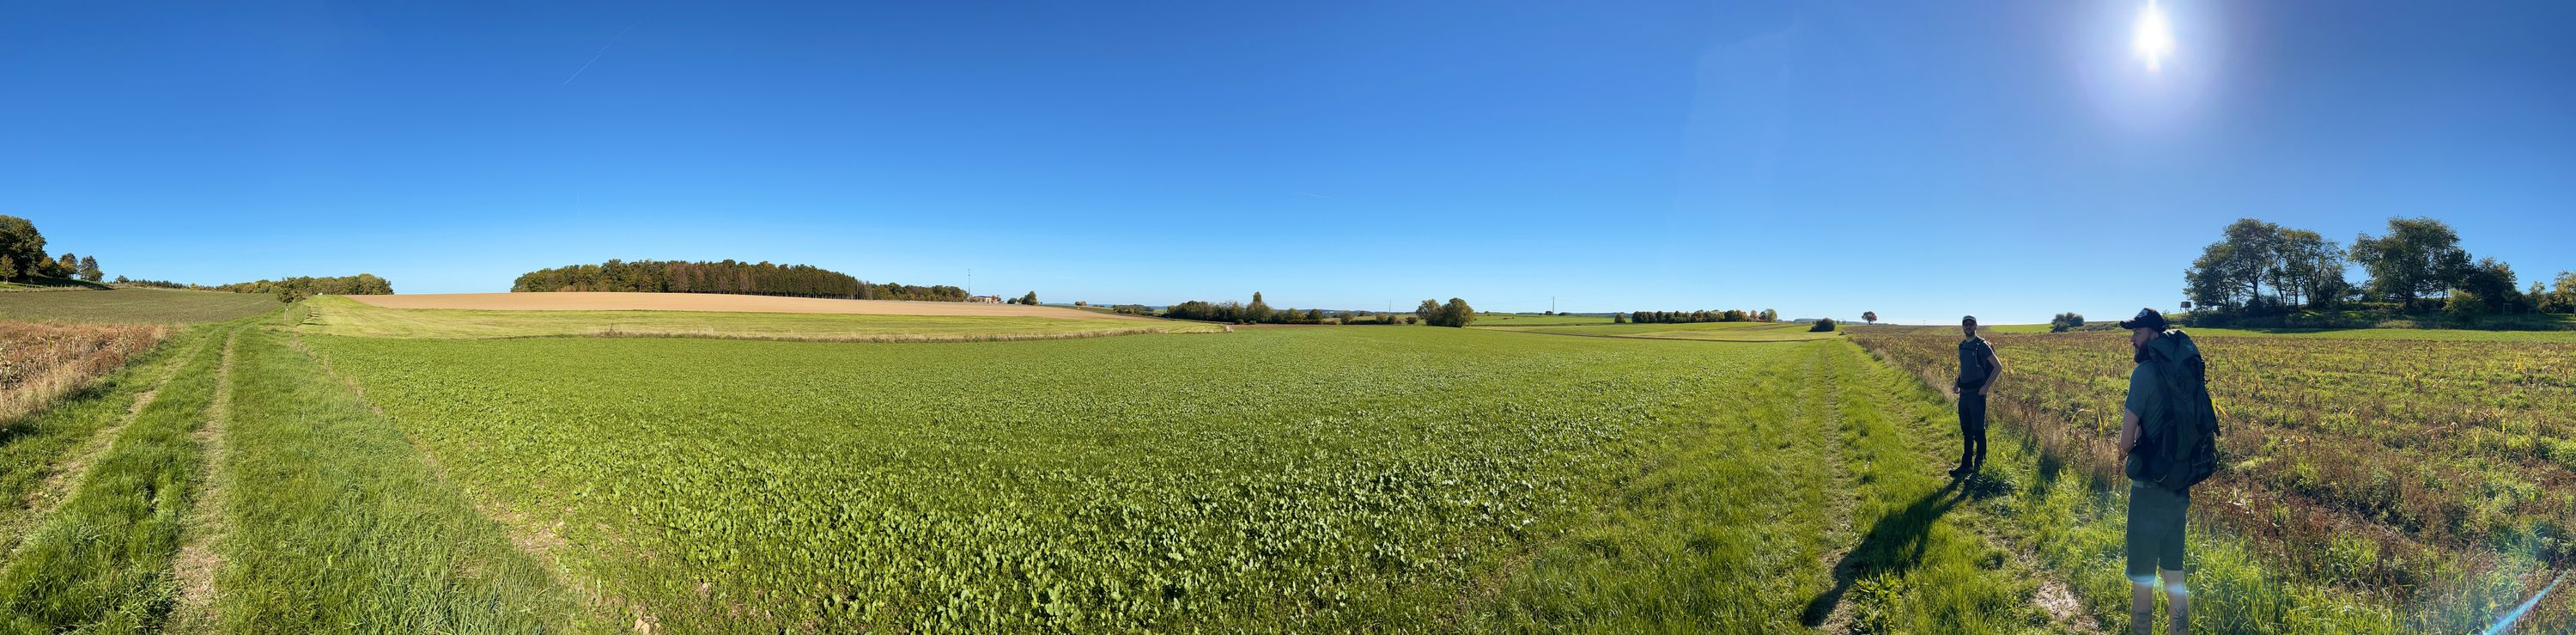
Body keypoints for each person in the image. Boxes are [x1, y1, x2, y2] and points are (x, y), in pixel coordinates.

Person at [2118, 308, 2190, 635]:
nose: (2132, 339)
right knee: (2175, 576)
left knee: (2143, 581)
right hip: (2179, 488)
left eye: (2138, 332)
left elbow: (2123, 442)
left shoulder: (2143, 374)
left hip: (2149, 493)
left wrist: (2136, 448)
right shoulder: (2183, 370)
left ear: (2154, 336)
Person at [1951, 315, 2001, 476]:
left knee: (1978, 431)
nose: (1968, 327)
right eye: (1965, 324)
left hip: (1977, 395)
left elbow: (1998, 367)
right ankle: (1966, 465)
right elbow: (1963, 368)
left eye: (1971, 324)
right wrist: (1956, 383)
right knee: (1966, 430)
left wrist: (1986, 387)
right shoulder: (1962, 345)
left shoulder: (1982, 346)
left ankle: (1979, 468)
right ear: (1962, 327)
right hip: (1964, 395)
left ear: (1976, 326)